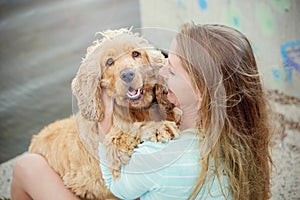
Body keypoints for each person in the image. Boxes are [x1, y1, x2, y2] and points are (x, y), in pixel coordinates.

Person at [11, 23, 272, 200]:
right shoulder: (240, 139)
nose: (161, 71)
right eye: (165, 60)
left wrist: (103, 125)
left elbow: (118, 187)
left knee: (27, 165)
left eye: (172, 69)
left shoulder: (158, 155)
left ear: (201, 91)